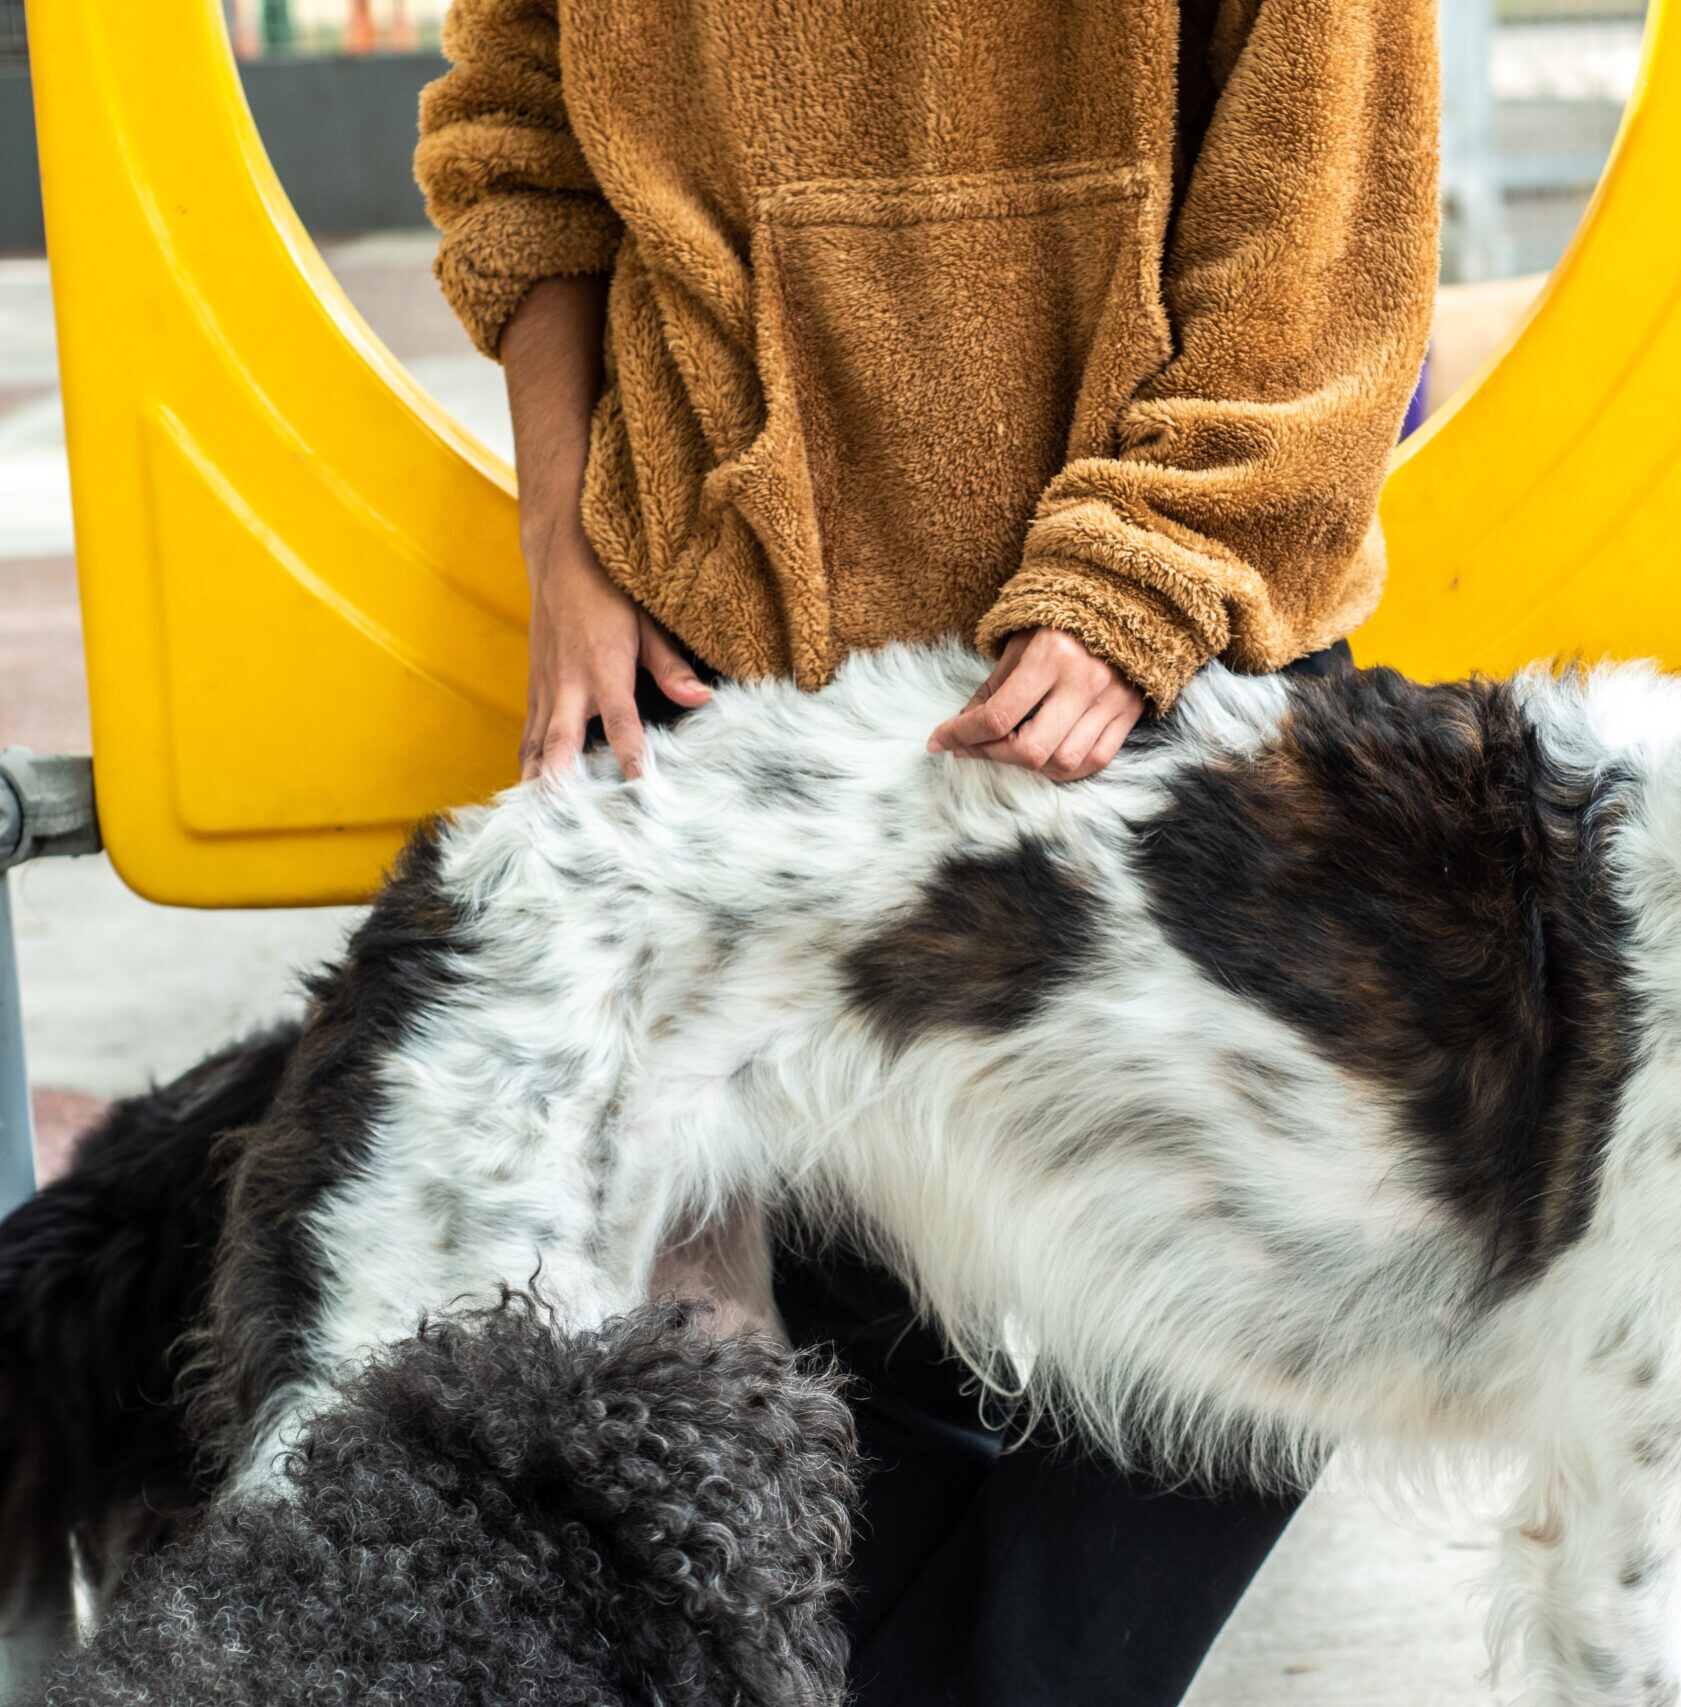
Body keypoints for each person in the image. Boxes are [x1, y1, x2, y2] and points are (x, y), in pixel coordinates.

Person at [414, 2, 1438, 1700]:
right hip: (754, 671)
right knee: (845, 1393)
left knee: (1294, 1302)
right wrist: (563, 544)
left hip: (1152, 670)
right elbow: (520, 140)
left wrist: (1146, 578)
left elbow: (1331, 221)